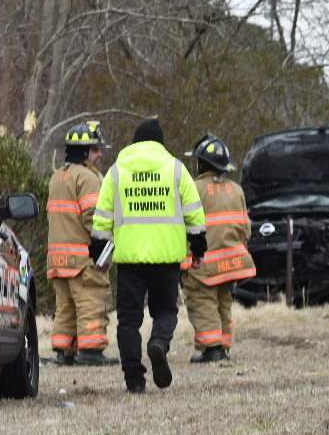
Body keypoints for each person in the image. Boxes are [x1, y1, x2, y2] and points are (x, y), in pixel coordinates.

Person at [89, 118, 208, 393]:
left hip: (129, 261)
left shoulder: (116, 172)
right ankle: (158, 343)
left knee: (129, 321)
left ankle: (134, 380)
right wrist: (198, 249)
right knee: (165, 311)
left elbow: (102, 219)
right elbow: (195, 215)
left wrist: (99, 255)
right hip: (167, 258)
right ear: (160, 143)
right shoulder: (176, 169)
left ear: (134, 142)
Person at [45, 122, 117, 365]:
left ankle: (64, 351)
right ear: (85, 152)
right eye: (96, 150)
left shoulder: (58, 176)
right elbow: (96, 219)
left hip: (58, 259)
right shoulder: (88, 178)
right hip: (83, 258)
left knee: (65, 306)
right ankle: (91, 350)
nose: (100, 154)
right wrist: (105, 254)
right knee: (91, 301)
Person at [180, 133, 255, 363]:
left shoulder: (192, 188)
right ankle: (223, 346)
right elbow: (246, 229)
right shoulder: (236, 190)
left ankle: (211, 348)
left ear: (202, 163)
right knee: (224, 303)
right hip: (232, 262)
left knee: (203, 304)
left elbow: (184, 227)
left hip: (202, 264)